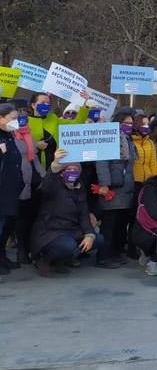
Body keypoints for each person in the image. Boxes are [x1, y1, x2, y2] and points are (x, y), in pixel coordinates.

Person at [31, 148, 120, 276]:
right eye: (69, 169)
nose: (72, 172)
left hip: (70, 230)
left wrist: (90, 234)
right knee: (68, 246)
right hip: (49, 231)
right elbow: (45, 185)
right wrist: (55, 165)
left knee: (98, 239)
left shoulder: (79, 188)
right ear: (62, 172)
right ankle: (44, 258)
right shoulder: (53, 185)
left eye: (76, 169)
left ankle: (65, 258)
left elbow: (83, 215)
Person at [95, 110, 137, 264]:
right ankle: (103, 256)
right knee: (109, 224)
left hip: (126, 187)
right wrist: (105, 184)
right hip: (112, 187)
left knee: (120, 223)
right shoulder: (108, 138)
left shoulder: (129, 140)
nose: (129, 126)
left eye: (131, 123)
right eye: (125, 123)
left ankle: (115, 253)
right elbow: (102, 163)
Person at [5, 105, 44, 265]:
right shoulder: (10, 136)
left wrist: (43, 176)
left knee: (30, 218)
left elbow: (33, 157)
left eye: (24, 119)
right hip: (20, 182)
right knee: (19, 220)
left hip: (33, 181)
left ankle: (28, 250)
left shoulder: (28, 134)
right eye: (18, 119)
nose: (22, 122)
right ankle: (21, 251)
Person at [28, 91, 90, 169]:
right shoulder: (24, 122)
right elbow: (17, 144)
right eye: (43, 102)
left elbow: (77, 123)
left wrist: (85, 104)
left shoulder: (53, 119)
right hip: (32, 166)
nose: (46, 105)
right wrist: (35, 145)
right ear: (33, 105)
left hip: (54, 166)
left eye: (48, 103)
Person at [0, 103, 24, 274]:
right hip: (2, 189)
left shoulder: (9, 135)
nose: (16, 122)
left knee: (6, 226)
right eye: (12, 118)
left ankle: (2, 257)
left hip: (11, 188)